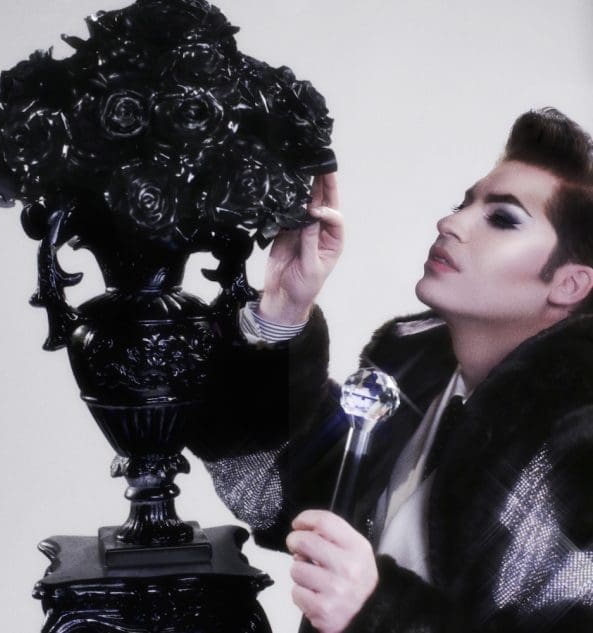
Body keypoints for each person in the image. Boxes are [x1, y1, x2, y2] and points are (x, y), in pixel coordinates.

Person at [189, 107, 593, 633]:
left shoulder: (578, 449)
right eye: (463, 204)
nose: (451, 223)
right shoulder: (412, 368)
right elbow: (274, 494)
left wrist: (377, 611)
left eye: (502, 219)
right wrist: (283, 311)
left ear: (569, 284)